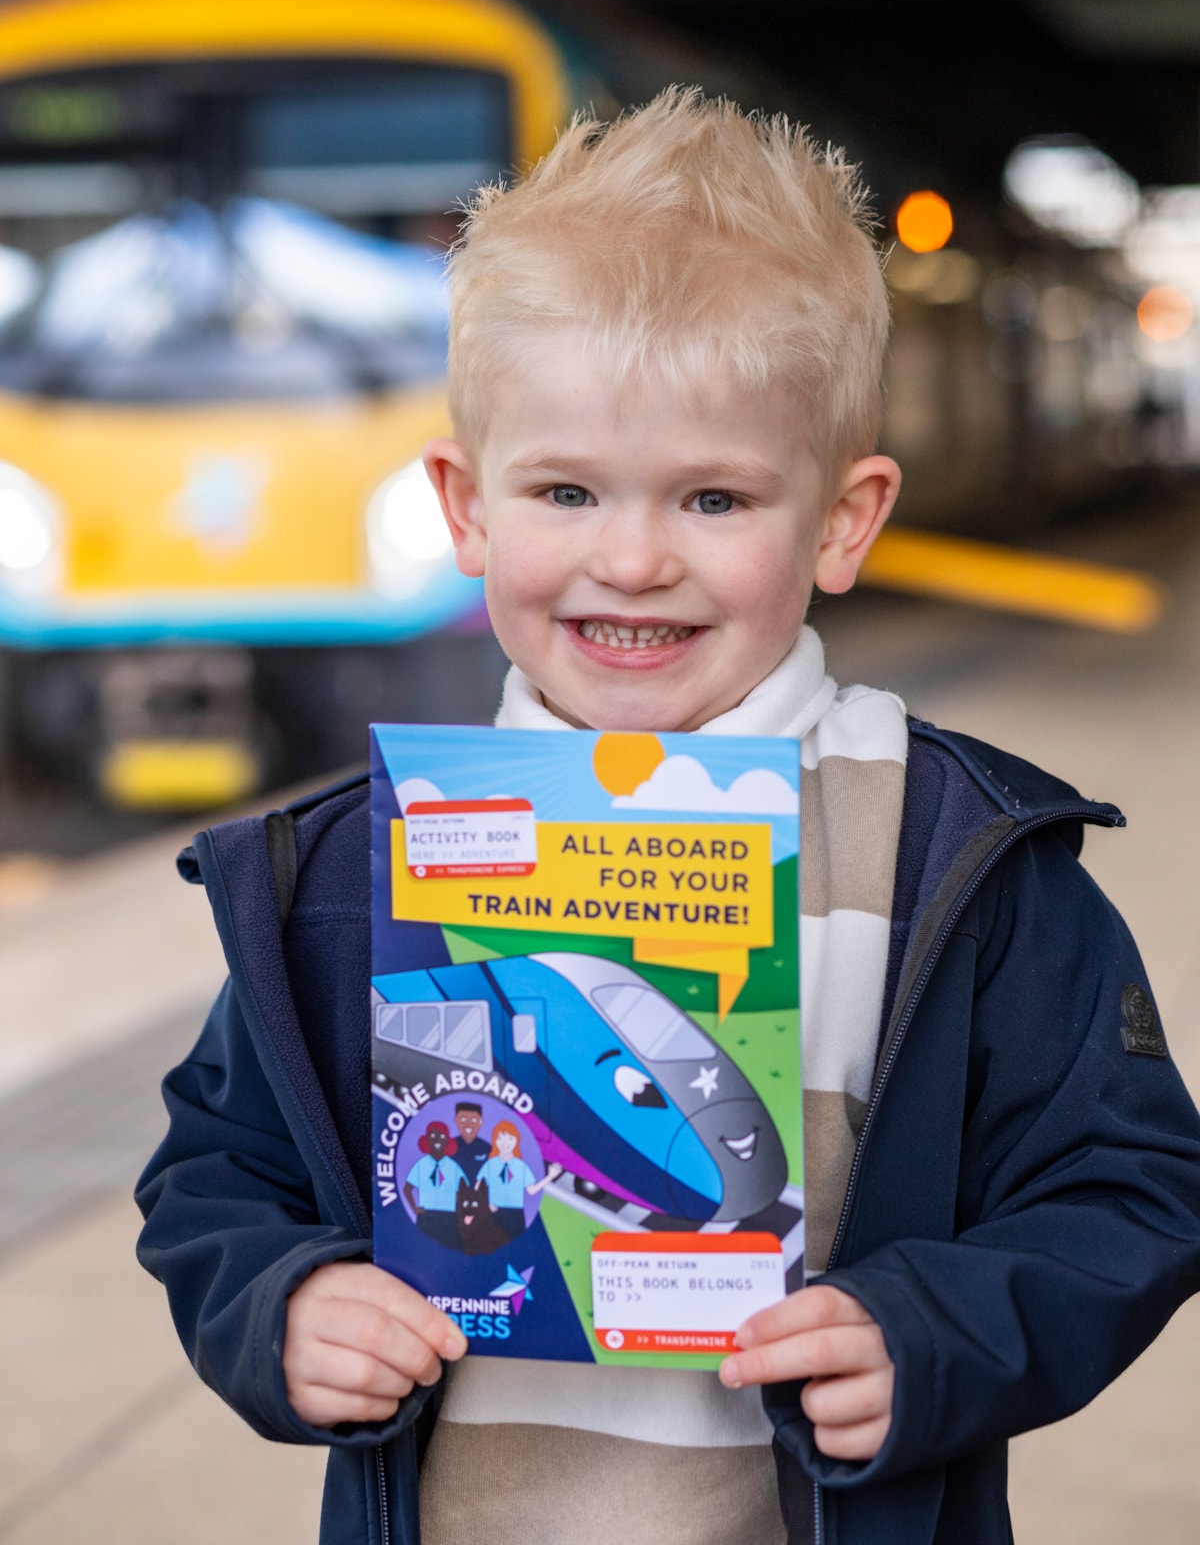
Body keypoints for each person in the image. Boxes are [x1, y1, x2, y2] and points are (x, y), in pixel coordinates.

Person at [136, 89, 1200, 1545]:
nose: (631, 560)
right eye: (566, 489)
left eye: (712, 498)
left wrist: (928, 1335)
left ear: (842, 519)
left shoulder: (955, 850)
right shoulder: (345, 868)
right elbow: (218, 1167)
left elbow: (1127, 1184)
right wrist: (285, 1305)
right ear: (468, 509)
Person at [474, 1119, 562, 1239]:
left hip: (515, 1214)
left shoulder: (521, 1166)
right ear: (495, 1140)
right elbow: (477, 1189)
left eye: (510, 1138)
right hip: (493, 1212)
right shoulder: (490, 1165)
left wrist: (550, 1176)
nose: (505, 1143)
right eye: (501, 1138)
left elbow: (531, 1190)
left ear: (516, 1141)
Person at [403, 1120, 467, 1249]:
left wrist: (459, 1210)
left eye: (442, 1136)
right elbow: (407, 1189)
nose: (437, 1140)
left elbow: (464, 1190)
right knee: (423, 1249)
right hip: (426, 1216)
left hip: (449, 1217)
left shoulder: (453, 1167)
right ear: (427, 1140)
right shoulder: (421, 1165)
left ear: (447, 1141)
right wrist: (415, 1209)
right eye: (433, 1136)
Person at [450, 1101, 491, 1185]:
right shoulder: (447, 1148)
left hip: (481, 1196)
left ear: (480, 1121)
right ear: (455, 1120)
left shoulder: (488, 1149)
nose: (468, 1125)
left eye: (474, 1120)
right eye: (463, 1119)